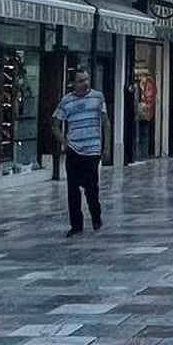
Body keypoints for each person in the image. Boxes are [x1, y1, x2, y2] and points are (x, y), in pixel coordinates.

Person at [55, 70, 106, 235]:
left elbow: (106, 122)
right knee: (73, 190)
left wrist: (106, 147)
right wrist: (65, 143)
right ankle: (76, 225)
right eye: (81, 80)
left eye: (86, 79)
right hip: (74, 150)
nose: (85, 83)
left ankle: (96, 218)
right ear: (73, 83)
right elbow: (54, 124)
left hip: (92, 150)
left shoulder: (98, 98)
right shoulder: (66, 101)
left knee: (92, 188)